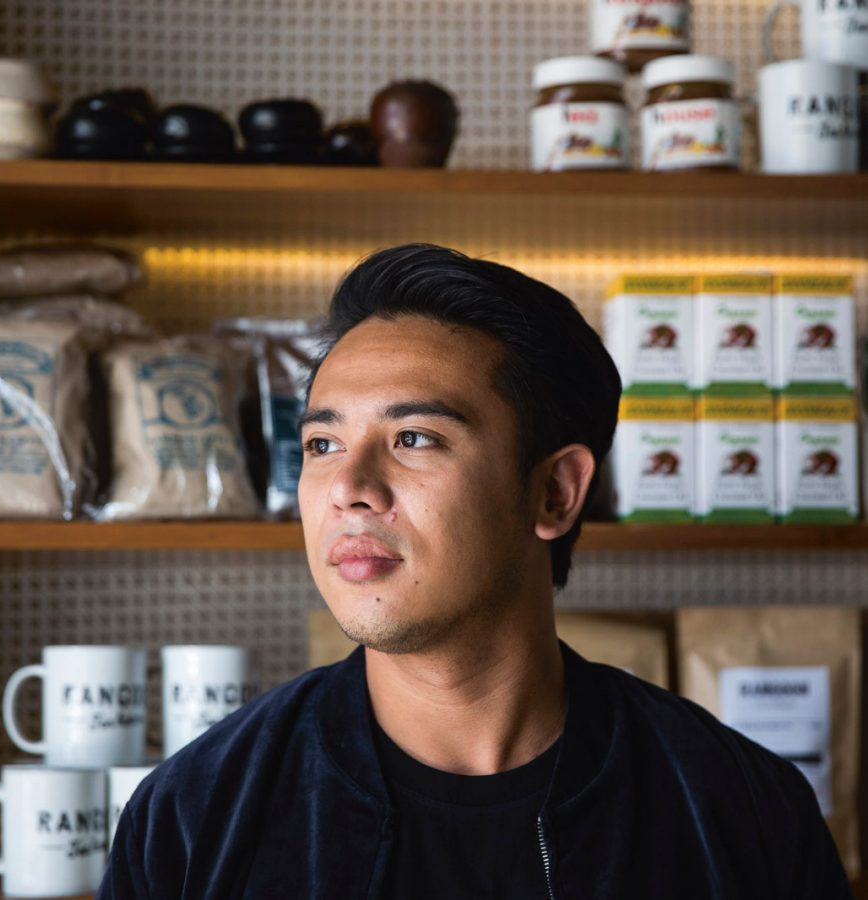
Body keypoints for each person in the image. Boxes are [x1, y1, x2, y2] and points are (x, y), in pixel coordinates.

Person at [99, 244, 851, 899]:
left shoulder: (738, 812)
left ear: (554, 492)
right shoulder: (195, 817)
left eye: (414, 437)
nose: (348, 487)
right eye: (323, 445)